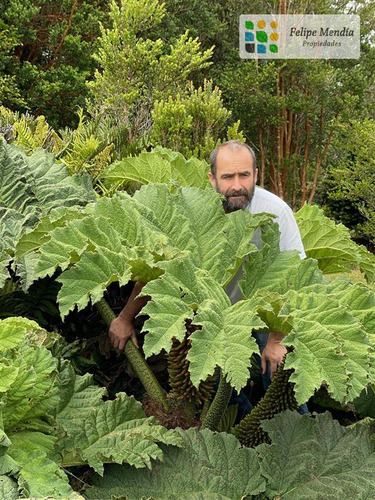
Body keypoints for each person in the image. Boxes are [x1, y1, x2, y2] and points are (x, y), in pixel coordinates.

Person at [109, 140, 306, 387]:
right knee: (217, 391)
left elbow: (295, 275)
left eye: (244, 175)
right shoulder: (192, 211)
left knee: (281, 380)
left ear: (255, 175)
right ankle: (234, 421)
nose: (237, 186)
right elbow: (158, 271)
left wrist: (277, 338)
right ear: (212, 179)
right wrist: (125, 318)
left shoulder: (276, 211)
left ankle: (291, 422)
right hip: (210, 314)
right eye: (227, 177)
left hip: (264, 313)